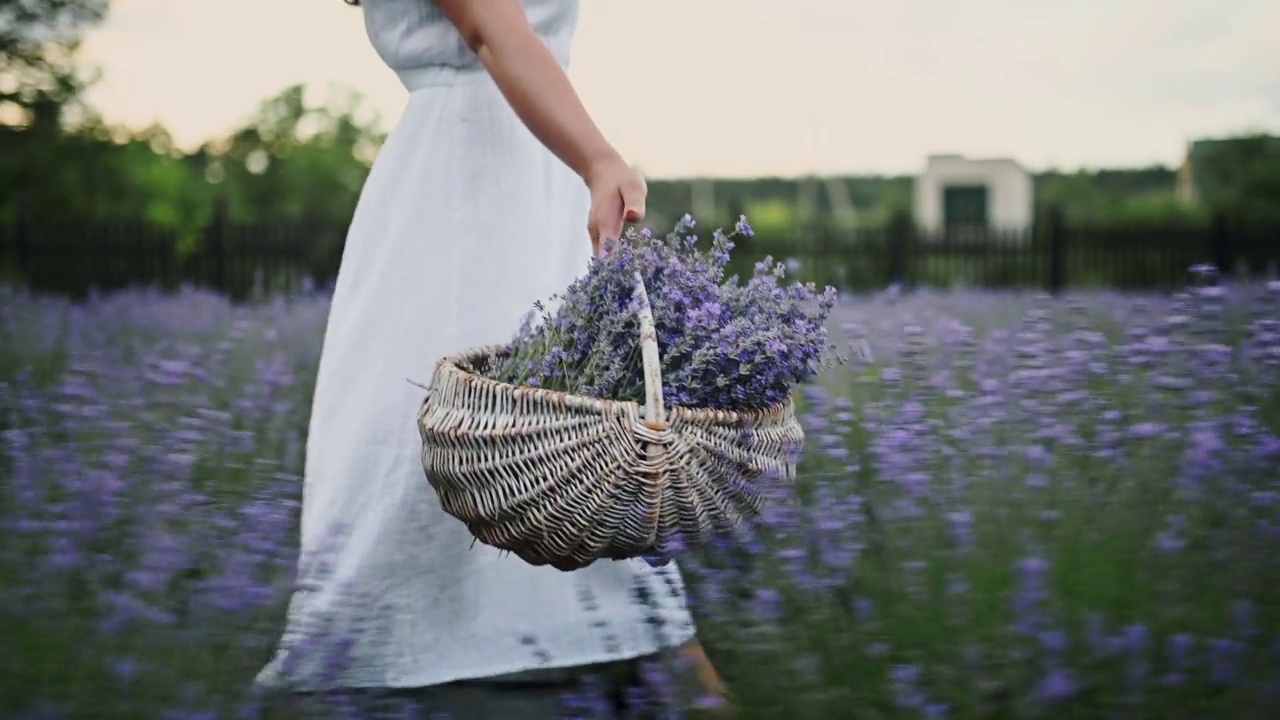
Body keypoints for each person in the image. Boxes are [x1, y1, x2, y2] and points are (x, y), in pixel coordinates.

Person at [256, 0, 728, 717]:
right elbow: (489, 26)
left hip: (529, 165)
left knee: (559, 433)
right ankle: (398, 656)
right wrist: (598, 158)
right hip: (469, 185)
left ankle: (614, 639)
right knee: (465, 422)